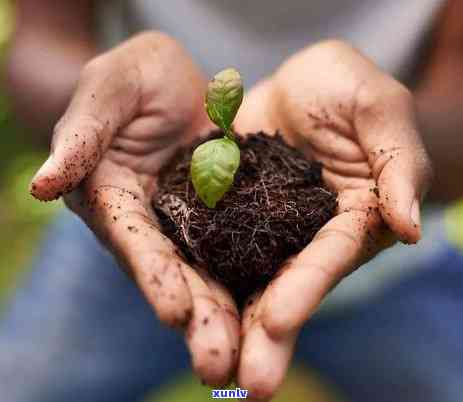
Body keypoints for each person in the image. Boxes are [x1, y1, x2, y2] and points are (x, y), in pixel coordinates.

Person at [1, 1, 462, 401]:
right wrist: (95, 110)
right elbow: (42, 39)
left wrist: (394, 147)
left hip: (392, 272)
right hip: (128, 233)